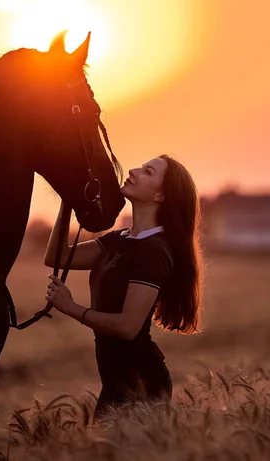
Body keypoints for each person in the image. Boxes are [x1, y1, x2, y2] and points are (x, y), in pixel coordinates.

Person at [44, 154, 203, 420]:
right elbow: (56, 257)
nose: (133, 170)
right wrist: (67, 203)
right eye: (141, 166)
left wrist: (72, 308)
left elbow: (128, 327)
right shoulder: (120, 239)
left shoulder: (154, 249)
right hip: (114, 382)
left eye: (148, 172)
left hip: (142, 383)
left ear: (160, 196)